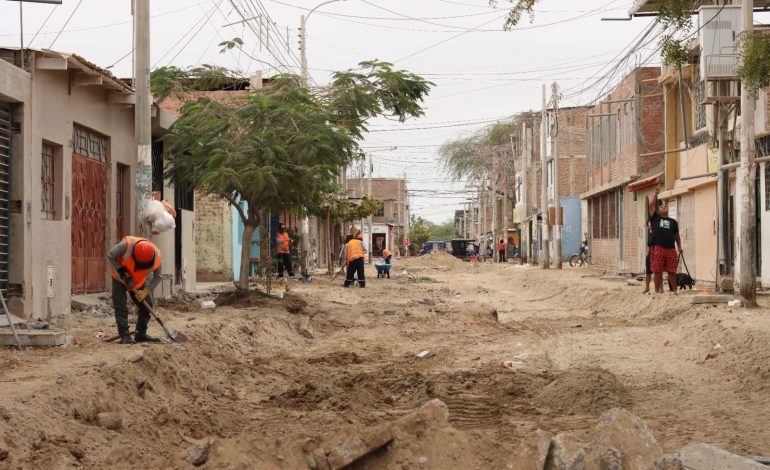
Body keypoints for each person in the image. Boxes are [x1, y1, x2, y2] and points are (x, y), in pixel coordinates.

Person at [107, 236, 162, 344]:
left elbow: (158, 276)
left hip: (138, 282)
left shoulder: (156, 256)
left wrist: (146, 291)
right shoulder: (125, 246)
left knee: (147, 305)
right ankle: (124, 335)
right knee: (121, 306)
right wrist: (122, 271)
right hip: (120, 278)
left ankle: (140, 334)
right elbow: (110, 255)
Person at [649, 184, 683, 293]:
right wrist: (655, 193)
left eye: (665, 206)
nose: (663, 206)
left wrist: (680, 247)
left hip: (671, 250)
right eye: (661, 206)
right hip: (659, 248)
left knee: (672, 271)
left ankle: (674, 291)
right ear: (657, 211)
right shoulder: (655, 219)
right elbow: (651, 205)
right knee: (657, 271)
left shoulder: (673, 222)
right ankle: (657, 291)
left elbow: (677, 236)